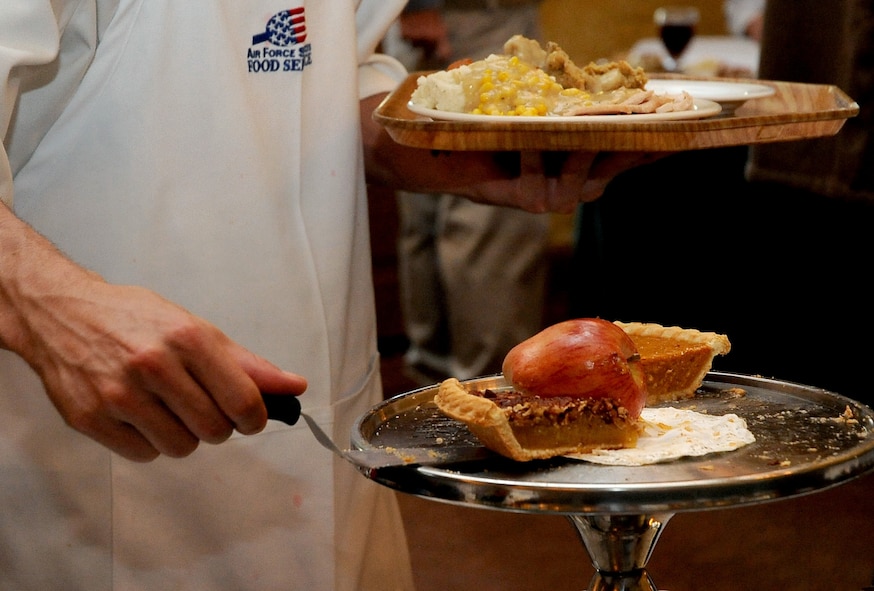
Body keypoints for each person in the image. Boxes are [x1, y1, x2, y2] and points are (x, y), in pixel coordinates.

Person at [0, 1, 646, 589]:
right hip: (111, 471)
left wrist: (452, 145)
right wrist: (47, 303)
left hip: (330, 422)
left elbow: (327, 74)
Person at [388, 0, 553, 383]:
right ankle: (495, 399)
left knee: (428, 214)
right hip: (477, 19)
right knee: (493, 225)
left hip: (439, 20)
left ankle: (433, 404)